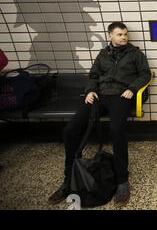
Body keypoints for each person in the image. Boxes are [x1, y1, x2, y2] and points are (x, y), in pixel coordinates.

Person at [48, 22, 151, 206]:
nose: (124, 37)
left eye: (125, 34)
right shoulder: (103, 55)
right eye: (119, 34)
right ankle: (68, 179)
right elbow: (93, 75)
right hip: (99, 95)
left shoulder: (135, 54)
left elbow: (145, 74)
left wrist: (132, 89)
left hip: (121, 95)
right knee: (70, 130)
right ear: (110, 35)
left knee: (117, 129)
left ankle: (122, 180)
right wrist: (90, 91)